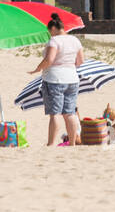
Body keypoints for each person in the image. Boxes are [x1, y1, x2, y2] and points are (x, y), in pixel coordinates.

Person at [29, 13, 84, 146]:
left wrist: (38, 68)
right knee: (70, 113)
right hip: (72, 78)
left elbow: (49, 60)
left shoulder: (54, 41)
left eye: (50, 31)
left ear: (53, 28)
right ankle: (72, 143)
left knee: (55, 113)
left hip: (55, 79)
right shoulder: (75, 40)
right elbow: (80, 61)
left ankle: (51, 143)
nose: (50, 34)